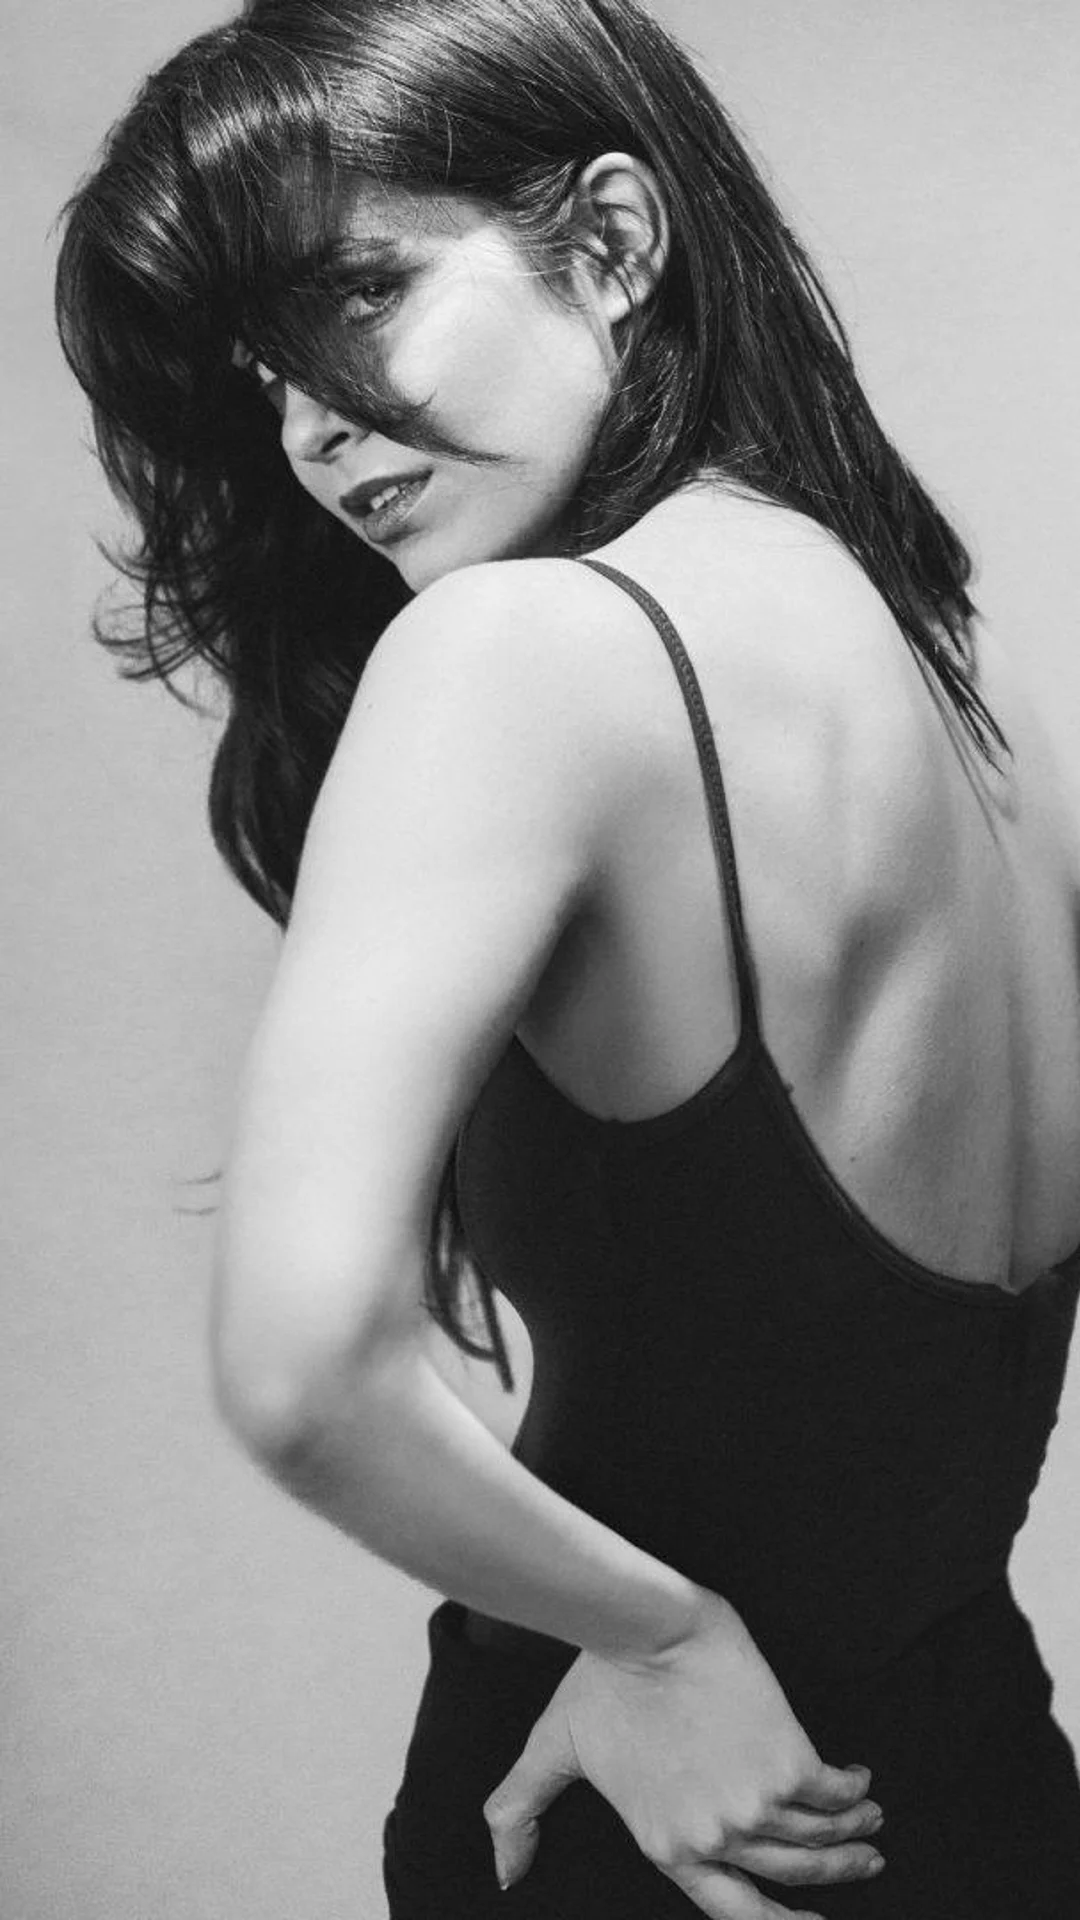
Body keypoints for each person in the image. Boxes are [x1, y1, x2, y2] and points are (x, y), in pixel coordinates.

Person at [54, 1, 1080, 1914]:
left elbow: (299, 1366)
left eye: (358, 295)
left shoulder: (521, 653)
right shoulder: (981, 682)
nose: (309, 426)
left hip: (659, 1824)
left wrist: (661, 1642)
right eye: (261, 376)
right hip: (992, 1801)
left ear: (610, 240)